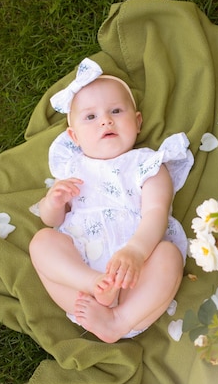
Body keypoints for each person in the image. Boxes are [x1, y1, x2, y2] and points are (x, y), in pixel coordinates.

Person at [29, 58, 193, 343]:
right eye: (90, 117)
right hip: (84, 285)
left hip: (136, 277)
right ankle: (93, 283)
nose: (106, 120)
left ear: (137, 121)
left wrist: (136, 252)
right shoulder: (72, 169)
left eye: (116, 111)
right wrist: (53, 203)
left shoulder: (148, 164)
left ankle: (119, 320)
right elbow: (52, 221)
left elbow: (156, 212)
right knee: (42, 242)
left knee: (169, 256)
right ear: (74, 136)